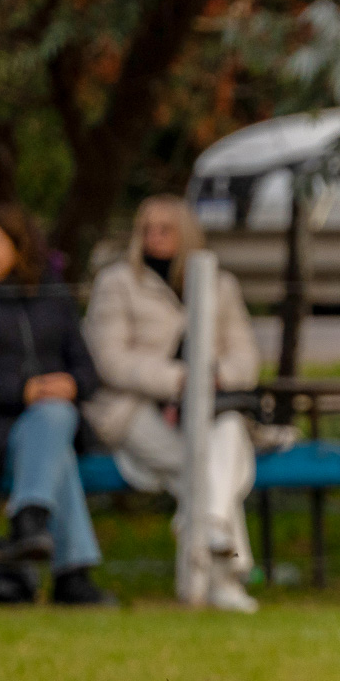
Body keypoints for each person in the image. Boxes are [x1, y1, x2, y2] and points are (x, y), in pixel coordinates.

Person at [83, 196, 261, 612]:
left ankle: (208, 529)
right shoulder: (117, 282)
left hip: (210, 408)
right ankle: (226, 576)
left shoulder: (220, 284)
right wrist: (179, 381)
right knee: (205, 469)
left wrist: (211, 379)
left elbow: (246, 360)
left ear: (186, 233)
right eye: (146, 228)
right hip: (134, 408)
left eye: (165, 228)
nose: (154, 237)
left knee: (228, 430)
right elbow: (109, 359)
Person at [0, 204, 112, 605]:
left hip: (52, 427)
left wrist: (71, 384)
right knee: (55, 442)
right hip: (3, 429)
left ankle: (30, 524)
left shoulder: (51, 294)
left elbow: (88, 370)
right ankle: (71, 574)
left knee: (56, 417)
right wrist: (21, 391)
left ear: (19, 245)